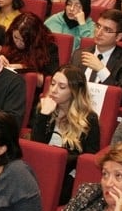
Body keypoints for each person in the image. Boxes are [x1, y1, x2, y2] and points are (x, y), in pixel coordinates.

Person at [30, 65, 100, 203]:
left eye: (62, 87)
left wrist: (59, 158)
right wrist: (43, 115)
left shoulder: (89, 118)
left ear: (74, 91)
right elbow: (36, 147)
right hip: (39, 167)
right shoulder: (43, 108)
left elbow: (89, 157)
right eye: (53, 84)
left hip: (65, 174)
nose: (54, 90)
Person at [70, 8, 122, 104]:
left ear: (118, 37)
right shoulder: (78, 54)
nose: (99, 32)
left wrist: (101, 70)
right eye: (98, 26)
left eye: (107, 30)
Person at [0, 13, 59, 83]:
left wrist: (24, 69)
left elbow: (49, 80)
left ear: (34, 38)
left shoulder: (48, 47)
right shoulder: (9, 38)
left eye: (23, 40)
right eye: (15, 37)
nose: (18, 43)